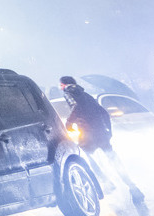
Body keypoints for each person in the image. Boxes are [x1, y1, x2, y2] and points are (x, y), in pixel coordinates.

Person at [60, 77, 144, 205]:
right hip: (101, 131)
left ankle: (106, 181)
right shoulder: (85, 94)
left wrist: (69, 122)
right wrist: (108, 130)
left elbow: (75, 106)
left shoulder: (68, 93)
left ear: (63, 84)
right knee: (113, 158)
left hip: (88, 133)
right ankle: (133, 187)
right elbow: (103, 112)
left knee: (85, 156)